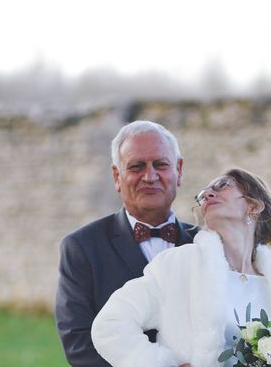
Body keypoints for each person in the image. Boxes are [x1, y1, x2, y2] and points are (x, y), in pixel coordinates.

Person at [91, 168, 271, 367]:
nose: (207, 194)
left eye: (222, 185)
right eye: (203, 194)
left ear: (254, 206)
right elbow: (110, 324)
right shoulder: (176, 265)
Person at [55, 120, 199, 367]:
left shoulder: (205, 245)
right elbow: (78, 345)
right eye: (137, 166)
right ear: (117, 176)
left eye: (161, 164)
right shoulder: (81, 248)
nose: (150, 176)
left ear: (179, 170)